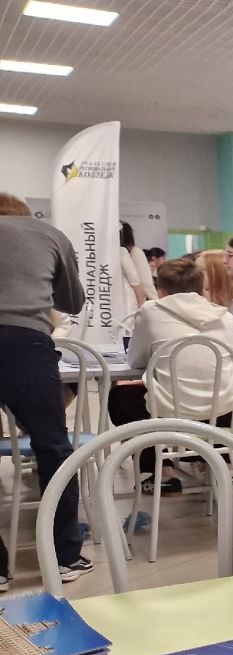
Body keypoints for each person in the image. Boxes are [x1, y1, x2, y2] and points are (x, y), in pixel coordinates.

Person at [0, 193, 92, 588]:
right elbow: (73, 301)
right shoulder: (49, 234)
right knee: (53, 447)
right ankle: (65, 557)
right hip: (27, 343)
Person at [110, 257, 233, 489]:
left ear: (160, 291)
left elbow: (136, 361)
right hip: (223, 415)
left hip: (170, 418)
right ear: (201, 288)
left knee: (120, 398)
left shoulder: (150, 312)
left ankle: (162, 472)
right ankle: (230, 463)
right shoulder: (223, 316)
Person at [120, 220, 156, 311]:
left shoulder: (133, 252)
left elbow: (145, 281)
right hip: (131, 301)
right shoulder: (129, 252)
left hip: (135, 302)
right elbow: (145, 281)